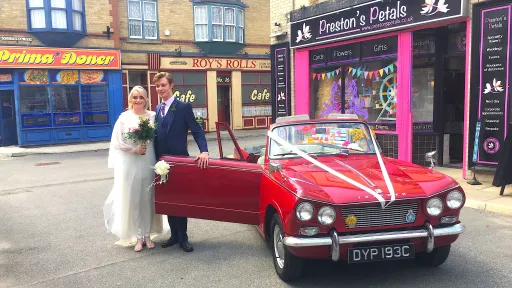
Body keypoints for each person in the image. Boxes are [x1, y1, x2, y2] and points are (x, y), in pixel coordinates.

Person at [104, 86, 168, 252]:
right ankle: (138, 237)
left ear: (146, 99)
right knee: (134, 200)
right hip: (131, 163)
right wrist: (134, 149)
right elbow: (118, 142)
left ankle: (148, 235)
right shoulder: (124, 118)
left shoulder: (153, 116)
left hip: (148, 161)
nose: (138, 100)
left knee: (148, 198)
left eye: (141, 97)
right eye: (135, 97)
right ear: (130, 99)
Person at [153, 72, 209, 253]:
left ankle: (183, 237)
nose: (161, 89)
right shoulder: (157, 109)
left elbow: (197, 130)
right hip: (161, 162)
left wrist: (204, 151)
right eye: (158, 86)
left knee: (181, 201)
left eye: (163, 85)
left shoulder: (183, 107)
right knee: (169, 199)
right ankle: (174, 236)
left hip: (180, 161)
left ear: (171, 85)